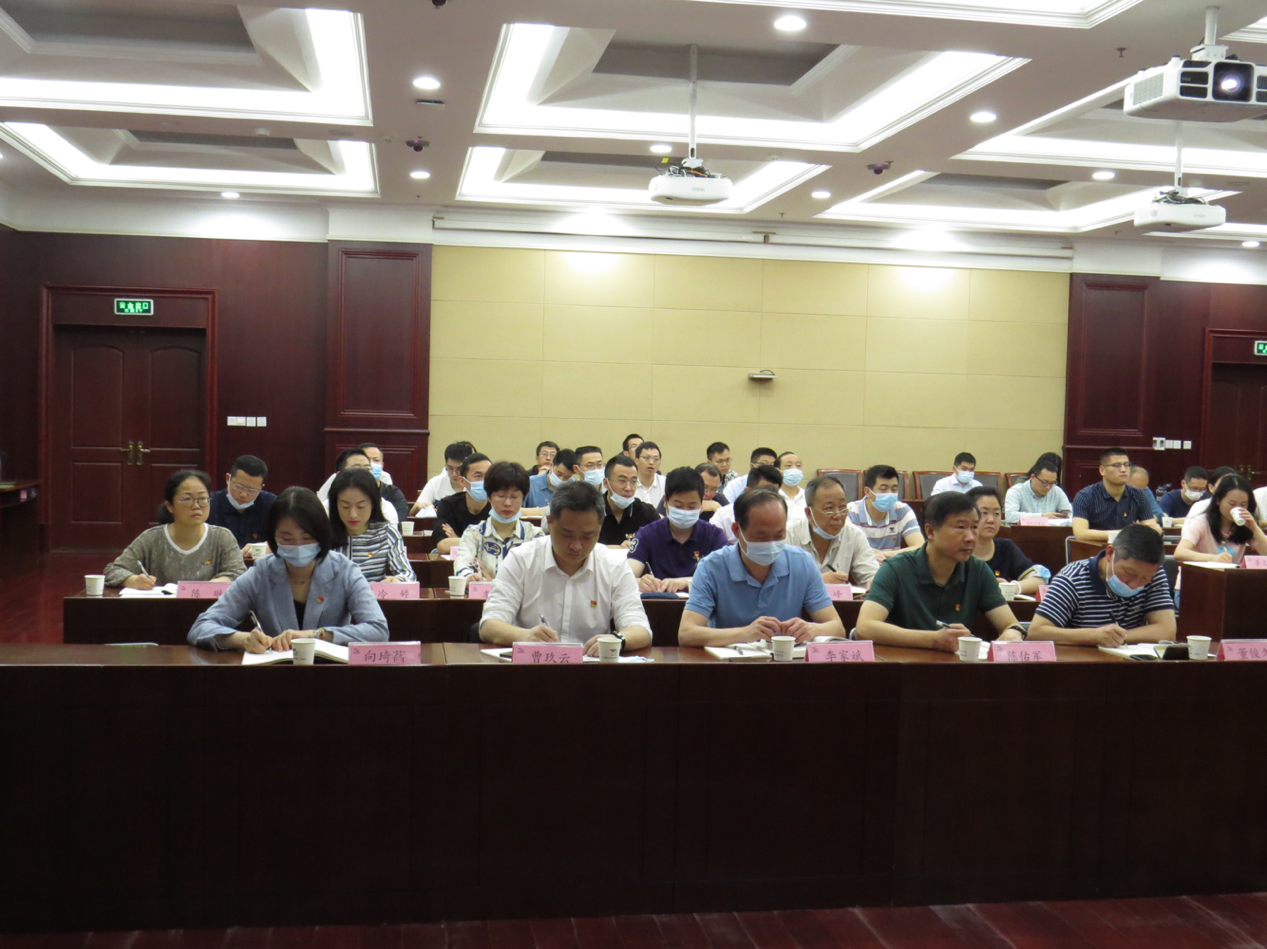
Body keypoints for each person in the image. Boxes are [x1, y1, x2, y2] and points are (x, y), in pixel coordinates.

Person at [188, 487, 388, 652]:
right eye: (287, 538)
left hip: (331, 673)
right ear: (273, 537)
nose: (298, 546)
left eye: (307, 538)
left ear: (322, 534)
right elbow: (201, 627)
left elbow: (378, 629)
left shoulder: (345, 571)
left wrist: (315, 635)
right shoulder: (261, 573)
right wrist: (243, 639)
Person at [479, 480, 652, 656]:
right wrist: (525, 636)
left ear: (599, 529)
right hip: (533, 665)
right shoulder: (522, 559)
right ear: (550, 523)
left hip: (589, 667)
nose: (576, 546)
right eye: (567, 534)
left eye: (587, 536)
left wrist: (618, 640)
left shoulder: (613, 565)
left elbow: (640, 629)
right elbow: (489, 625)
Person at [855, 492, 1026, 652]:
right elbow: (865, 627)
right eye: (960, 527)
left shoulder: (977, 570)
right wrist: (934, 640)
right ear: (930, 532)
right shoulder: (895, 568)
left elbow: (1011, 624)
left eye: (974, 527)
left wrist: (1013, 634)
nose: (971, 537)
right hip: (902, 667)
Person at [679, 488, 846, 647]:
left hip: (786, 661)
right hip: (730, 662)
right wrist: (745, 633)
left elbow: (837, 628)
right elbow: (686, 634)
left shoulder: (801, 562)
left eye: (779, 535)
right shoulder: (712, 567)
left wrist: (812, 629)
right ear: (737, 530)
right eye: (761, 536)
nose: (771, 544)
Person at [1028, 524, 1175, 647]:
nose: (1134, 584)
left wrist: (1117, 638)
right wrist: (1093, 636)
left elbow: (1167, 631)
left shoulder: (1154, 573)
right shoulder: (1073, 577)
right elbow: (1036, 633)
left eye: (1145, 578)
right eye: (1129, 573)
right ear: (1110, 553)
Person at [106, 470, 246, 589]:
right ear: (170, 506)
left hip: (209, 609)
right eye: (187, 499)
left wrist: (207, 587)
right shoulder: (151, 538)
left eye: (203, 498)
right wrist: (134, 581)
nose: (196, 506)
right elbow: (114, 570)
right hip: (161, 609)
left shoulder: (222, 537)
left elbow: (238, 573)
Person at [628, 467, 726, 592]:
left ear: (701, 503)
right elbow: (626, 576)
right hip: (659, 600)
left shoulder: (714, 536)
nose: (684, 512)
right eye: (678, 506)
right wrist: (639, 582)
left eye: (692, 506)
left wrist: (687, 582)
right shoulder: (648, 534)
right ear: (665, 501)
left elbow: (724, 578)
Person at [455, 461, 543, 580]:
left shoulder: (535, 536)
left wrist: (494, 584)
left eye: (514, 497)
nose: (507, 503)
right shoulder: (474, 534)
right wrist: (472, 578)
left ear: (523, 498)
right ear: (489, 497)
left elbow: (539, 577)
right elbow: (462, 565)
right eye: (501, 496)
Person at [787, 475, 879, 587]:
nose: (838, 515)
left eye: (842, 507)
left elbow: (871, 575)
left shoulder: (854, 535)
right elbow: (778, 585)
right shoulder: (788, 536)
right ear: (809, 513)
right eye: (829, 508)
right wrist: (818, 581)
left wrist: (874, 583)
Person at [328, 467, 415, 584]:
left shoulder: (386, 533)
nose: (353, 515)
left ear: (373, 503)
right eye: (345, 507)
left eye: (361, 507)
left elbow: (408, 574)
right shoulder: (324, 534)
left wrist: (397, 580)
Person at [1175, 474, 1267, 570]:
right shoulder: (1202, 521)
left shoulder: (1245, 526)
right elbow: (1180, 552)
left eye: (1243, 504)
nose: (1237, 508)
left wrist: (1254, 528)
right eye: (1232, 504)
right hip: (1200, 576)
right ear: (1218, 500)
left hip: (1230, 577)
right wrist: (1213, 558)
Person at [1071, 448, 1160, 541]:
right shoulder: (1085, 496)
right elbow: (1080, 534)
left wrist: (1155, 529)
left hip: (1129, 548)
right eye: (1116, 465)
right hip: (1095, 547)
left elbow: (1152, 527)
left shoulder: (1138, 495)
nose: (1123, 470)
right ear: (1102, 470)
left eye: (1126, 465)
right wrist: (1125, 534)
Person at [968, 486, 1044, 595]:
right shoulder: (957, 550)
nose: (991, 520)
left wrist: (1012, 587)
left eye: (996, 514)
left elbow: (1038, 580)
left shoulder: (1006, 547)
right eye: (984, 513)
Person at [846, 465, 923, 561]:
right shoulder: (850, 512)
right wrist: (871, 556)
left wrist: (885, 555)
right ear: (868, 492)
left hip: (892, 565)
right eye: (883, 489)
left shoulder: (902, 510)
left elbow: (919, 547)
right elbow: (846, 549)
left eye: (894, 489)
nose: (890, 494)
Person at [207, 454, 276, 553]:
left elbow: (287, 538)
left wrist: (269, 546)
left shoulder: (272, 505)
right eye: (239, 487)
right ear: (228, 479)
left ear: (261, 487)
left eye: (252, 490)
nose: (243, 495)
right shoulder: (208, 504)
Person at [317, 449, 399, 525]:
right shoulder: (324, 510)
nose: (363, 474)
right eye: (356, 469)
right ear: (339, 475)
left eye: (367, 469)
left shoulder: (385, 508)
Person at [433, 453, 491, 554]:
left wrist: (459, 540)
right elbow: (443, 545)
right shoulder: (448, 505)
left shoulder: (498, 506)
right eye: (478, 476)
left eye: (489, 476)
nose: (485, 481)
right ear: (462, 481)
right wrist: (484, 543)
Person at [712, 465, 782, 544]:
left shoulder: (783, 516)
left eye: (774, 494)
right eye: (763, 493)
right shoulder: (723, 517)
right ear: (747, 491)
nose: (769, 498)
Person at [599, 455, 659, 547]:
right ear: (606, 483)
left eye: (633, 482)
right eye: (622, 481)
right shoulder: (590, 512)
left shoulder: (646, 513)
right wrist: (610, 549)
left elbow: (663, 544)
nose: (628, 488)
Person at [410, 441, 475, 516]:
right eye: (450, 468)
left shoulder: (476, 485)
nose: (454, 474)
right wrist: (418, 507)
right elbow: (412, 513)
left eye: (459, 469)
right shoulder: (436, 483)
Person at [1004, 458, 1072, 524]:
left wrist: (1065, 515)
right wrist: (1042, 517)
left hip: (1051, 530)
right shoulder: (1016, 491)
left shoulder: (1057, 491)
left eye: (1052, 483)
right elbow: (1010, 516)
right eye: (1044, 482)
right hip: (1024, 531)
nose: (1048, 487)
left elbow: (1070, 514)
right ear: (1032, 477)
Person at [776, 451, 809, 524]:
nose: (794, 469)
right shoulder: (773, 496)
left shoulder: (809, 495)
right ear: (778, 471)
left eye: (798, 465)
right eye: (788, 465)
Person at [633, 441, 665, 507]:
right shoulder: (629, 484)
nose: (651, 462)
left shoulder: (666, 483)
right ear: (636, 461)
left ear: (659, 464)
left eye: (655, 459)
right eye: (647, 458)